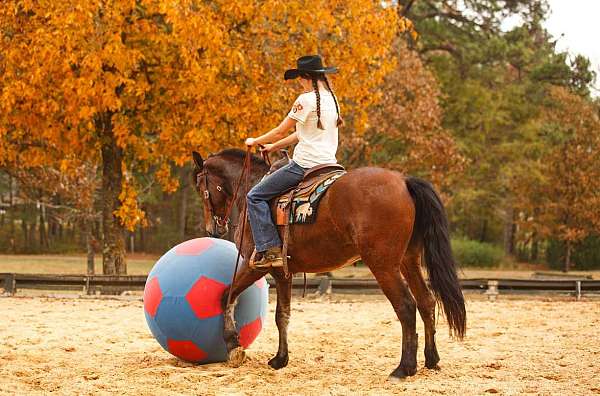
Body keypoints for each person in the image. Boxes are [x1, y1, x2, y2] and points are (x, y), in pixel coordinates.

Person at [244, 54, 344, 268]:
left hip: (305, 165)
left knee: (254, 196)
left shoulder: (305, 100)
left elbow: (280, 130)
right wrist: (273, 147)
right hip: (329, 165)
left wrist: (255, 140)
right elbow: (303, 134)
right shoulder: (332, 99)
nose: (299, 82)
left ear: (307, 76)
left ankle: (270, 249)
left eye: (300, 77)